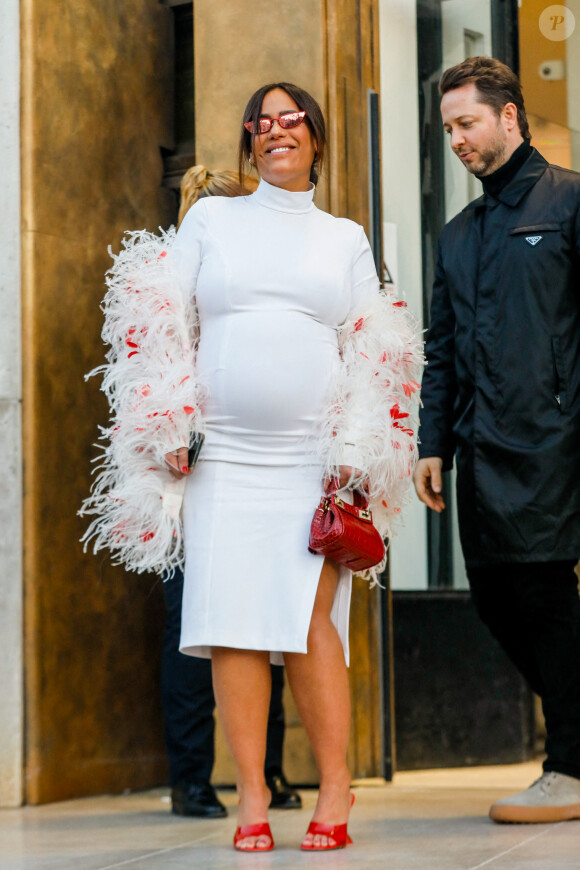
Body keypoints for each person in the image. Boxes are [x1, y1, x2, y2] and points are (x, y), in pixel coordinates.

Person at [82, 82, 422, 851]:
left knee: (308, 625)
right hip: (223, 461)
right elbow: (161, 316)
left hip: (310, 463)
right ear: (248, 141)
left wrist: (358, 451)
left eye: (291, 121)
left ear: (316, 139)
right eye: (262, 123)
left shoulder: (345, 238)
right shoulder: (212, 218)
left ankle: (335, 784)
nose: (277, 132)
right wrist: (165, 414)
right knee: (231, 630)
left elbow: (378, 347)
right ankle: (252, 794)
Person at [413, 56, 580, 824]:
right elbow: (441, 349)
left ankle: (570, 766)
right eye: (447, 128)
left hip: (554, 442)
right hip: (480, 454)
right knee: (495, 598)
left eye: (466, 123)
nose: (456, 140)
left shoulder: (569, 203)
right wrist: (431, 441)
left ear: (508, 117)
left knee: (546, 596)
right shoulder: (458, 236)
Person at [162, 166, 301, 819]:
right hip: (188, 475)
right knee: (202, 632)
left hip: (249, 469)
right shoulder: (178, 277)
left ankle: (250, 775)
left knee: (255, 626)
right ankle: (205, 778)